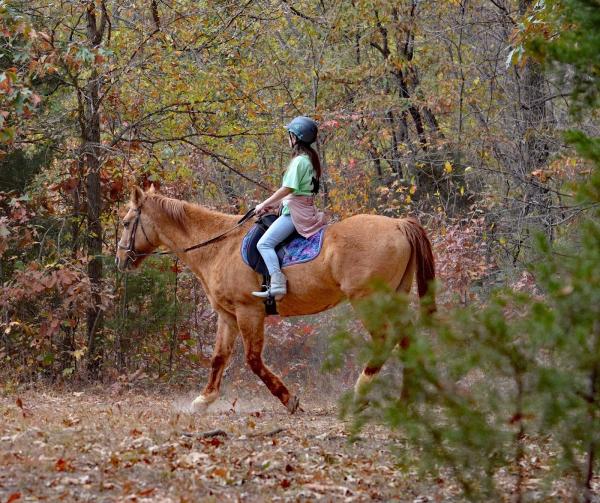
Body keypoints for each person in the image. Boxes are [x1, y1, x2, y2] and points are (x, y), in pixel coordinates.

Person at [251, 116, 328, 300]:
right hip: (302, 208)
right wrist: (271, 206)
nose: (288, 138)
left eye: (289, 135)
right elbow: (297, 193)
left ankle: (277, 284)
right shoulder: (309, 160)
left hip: (295, 214)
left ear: (294, 137)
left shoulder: (299, 161)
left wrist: (263, 203)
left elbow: (288, 189)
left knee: (264, 243)